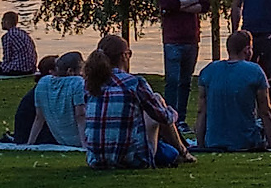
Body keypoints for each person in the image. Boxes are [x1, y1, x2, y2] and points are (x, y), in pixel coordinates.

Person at [78, 36, 195, 169]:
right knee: (157, 100)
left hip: (96, 159)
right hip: (132, 159)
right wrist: (172, 112)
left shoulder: (90, 85)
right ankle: (183, 152)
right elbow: (163, 117)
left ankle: (178, 151)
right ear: (124, 56)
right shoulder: (134, 83)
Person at [194, 30, 271, 152]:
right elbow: (265, 111)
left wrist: (200, 145)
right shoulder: (255, 71)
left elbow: (201, 111)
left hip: (213, 141)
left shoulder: (208, 71)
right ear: (247, 49)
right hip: (245, 141)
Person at [156, 0, 209, 116]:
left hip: (191, 37)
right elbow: (167, 4)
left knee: (186, 81)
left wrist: (180, 5)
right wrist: (192, 1)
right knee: (172, 80)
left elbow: (205, 4)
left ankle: (182, 118)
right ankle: (170, 115)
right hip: (173, 39)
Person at [28, 52, 89, 147]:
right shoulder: (77, 82)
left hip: (61, 139)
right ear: (70, 71)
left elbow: (39, 117)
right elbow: (80, 115)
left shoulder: (43, 82)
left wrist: (30, 143)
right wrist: (84, 145)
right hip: (80, 138)